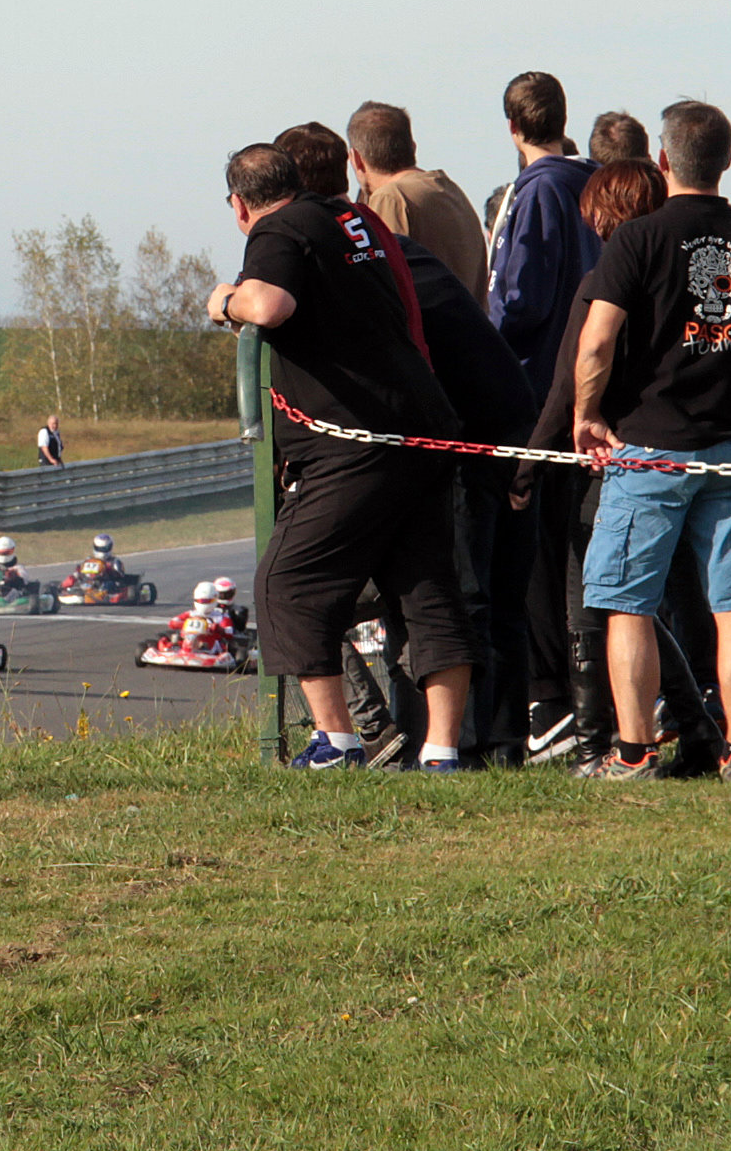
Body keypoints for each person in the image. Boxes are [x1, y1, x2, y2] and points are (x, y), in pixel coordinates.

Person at [208, 139, 475, 771]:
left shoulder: (277, 228)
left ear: (239, 205)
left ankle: (338, 741)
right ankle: (442, 751)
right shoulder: (346, 218)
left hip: (352, 444)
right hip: (422, 425)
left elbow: (269, 304)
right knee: (427, 588)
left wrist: (225, 300)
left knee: (286, 584)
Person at [566, 100, 731, 784]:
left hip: (653, 444)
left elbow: (597, 339)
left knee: (627, 601)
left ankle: (634, 753)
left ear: (663, 161)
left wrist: (586, 413)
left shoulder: (637, 239)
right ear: (726, 163)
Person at [485, 72, 601, 389]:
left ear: (513, 127)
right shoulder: (594, 185)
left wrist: (491, 336)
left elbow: (527, 295)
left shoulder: (541, 191)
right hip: (583, 364)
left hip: (542, 370)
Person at [346, 100, 489, 301]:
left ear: (356, 158)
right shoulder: (449, 189)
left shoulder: (391, 198)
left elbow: (387, 286)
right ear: (412, 147)